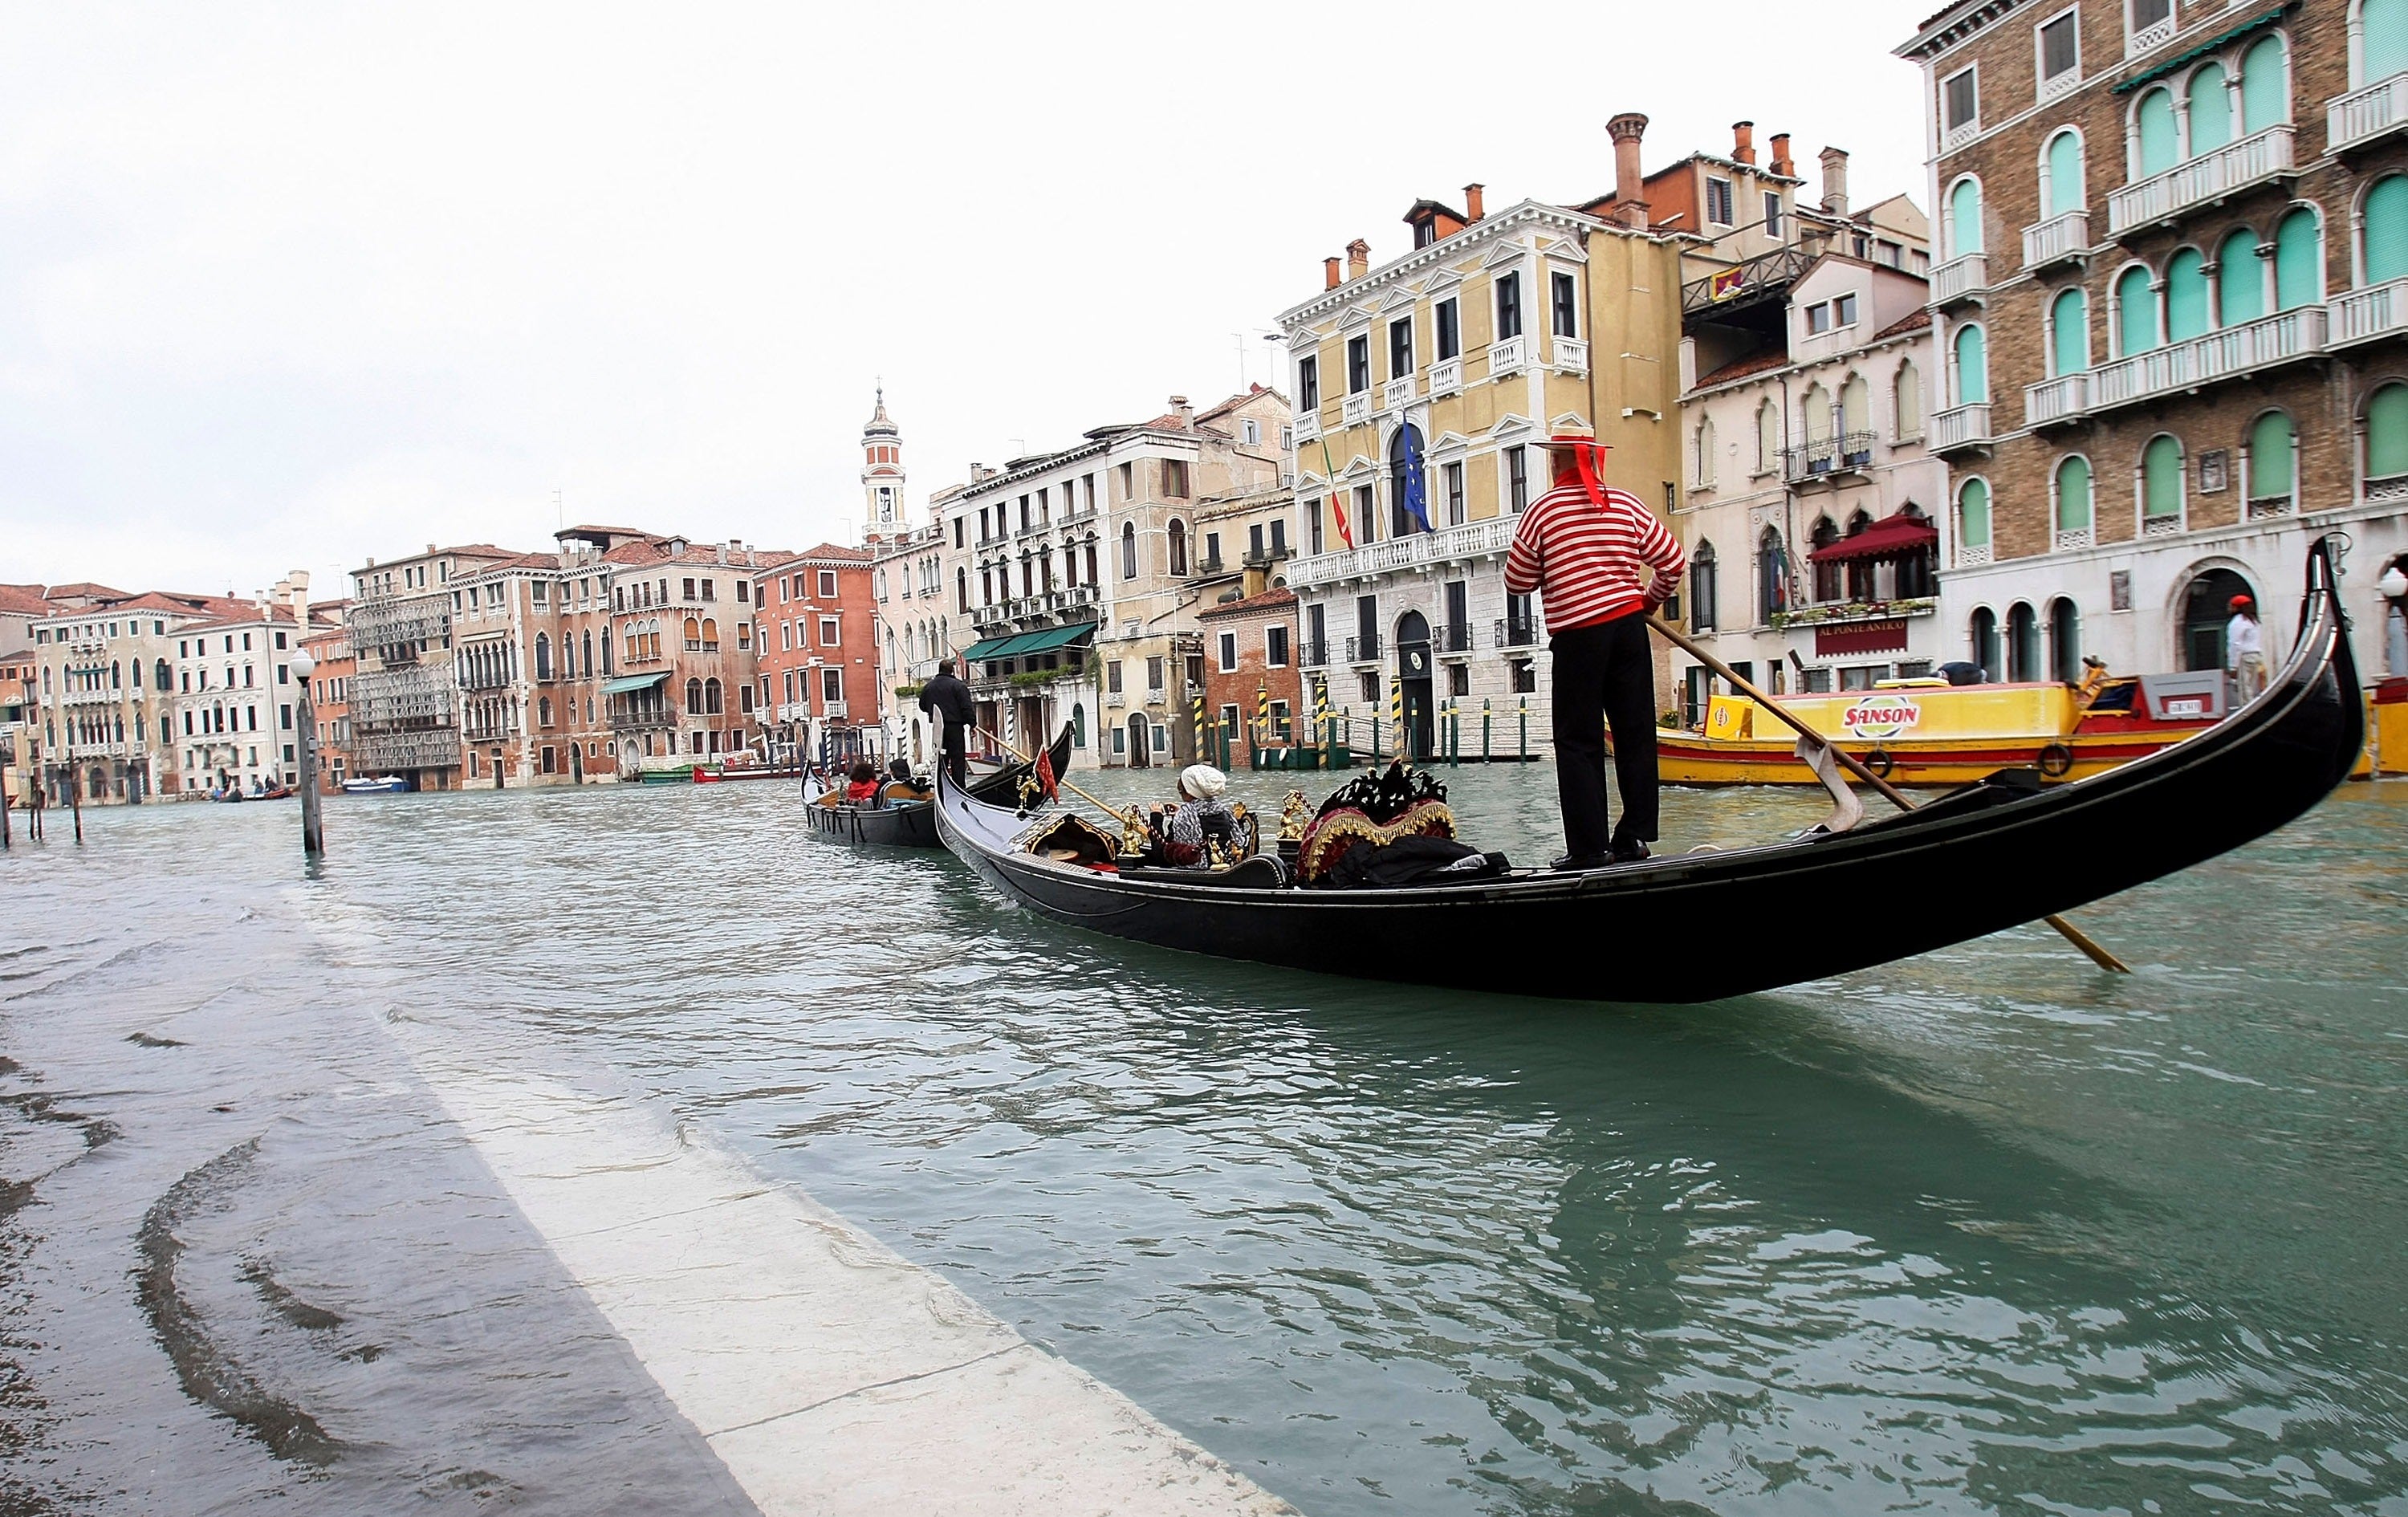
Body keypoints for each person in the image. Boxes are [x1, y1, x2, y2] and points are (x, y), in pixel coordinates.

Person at [1503, 425, 1686, 870]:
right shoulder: (1626, 504)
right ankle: (1633, 838)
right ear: (1596, 460)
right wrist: (1649, 599)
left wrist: (1557, 569)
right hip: (1628, 629)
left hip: (1578, 636)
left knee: (1578, 741)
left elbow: (1517, 580)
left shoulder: (1543, 511)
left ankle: (1589, 849)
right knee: (1635, 733)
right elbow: (1673, 562)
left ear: (1556, 461)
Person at [1161, 764, 1237, 868]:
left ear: (1189, 792)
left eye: (1181, 792)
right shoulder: (1225, 812)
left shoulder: (1185, 816)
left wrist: (1156, 817)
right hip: (1224, 867)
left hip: (1197, 874)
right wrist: (1178, 814)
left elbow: (1162, 854)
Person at [918, 657, 975, 786]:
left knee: (941, 758)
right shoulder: (959, 686)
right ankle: (959, 787)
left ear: (939, 670)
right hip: (955, 727)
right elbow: (966, 707)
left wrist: (932, 711)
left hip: (938, 728)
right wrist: (972, 725)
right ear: (952, 670)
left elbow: (922, 706)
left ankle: (941, 785)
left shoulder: (929, 687)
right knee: (957, 759)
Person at [2227, 593, 2266, 703]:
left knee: (2244, 691)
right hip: (2256, 656)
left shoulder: (2238, 622)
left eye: (2232, 606)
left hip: (2244, 657)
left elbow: (2235, 644)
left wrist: (2233, 666)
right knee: (2253, 688)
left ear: (2237, 607)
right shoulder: (2254, 621)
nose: (2229, 608)